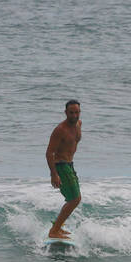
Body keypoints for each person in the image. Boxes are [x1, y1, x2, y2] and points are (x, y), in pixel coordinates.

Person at [46, 100, 83, 239]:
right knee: (75, 199)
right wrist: (54, 174)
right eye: (71, 113)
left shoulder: (79, 124)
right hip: (61, 165)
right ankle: (54, 230)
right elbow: (49, 153)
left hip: (70, 165)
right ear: (66, 113)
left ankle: (57, 226)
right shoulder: (60, 130)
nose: (74, 115)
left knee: (71, 198)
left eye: (77, 112)